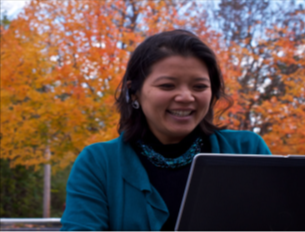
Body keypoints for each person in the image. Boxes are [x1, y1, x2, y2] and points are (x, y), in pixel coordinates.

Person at [61, 30, 272, 231]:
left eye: (199, 87)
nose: (186, 97)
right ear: (133, 92)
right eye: (167, 86)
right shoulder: (98, 163)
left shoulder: (247, 149)